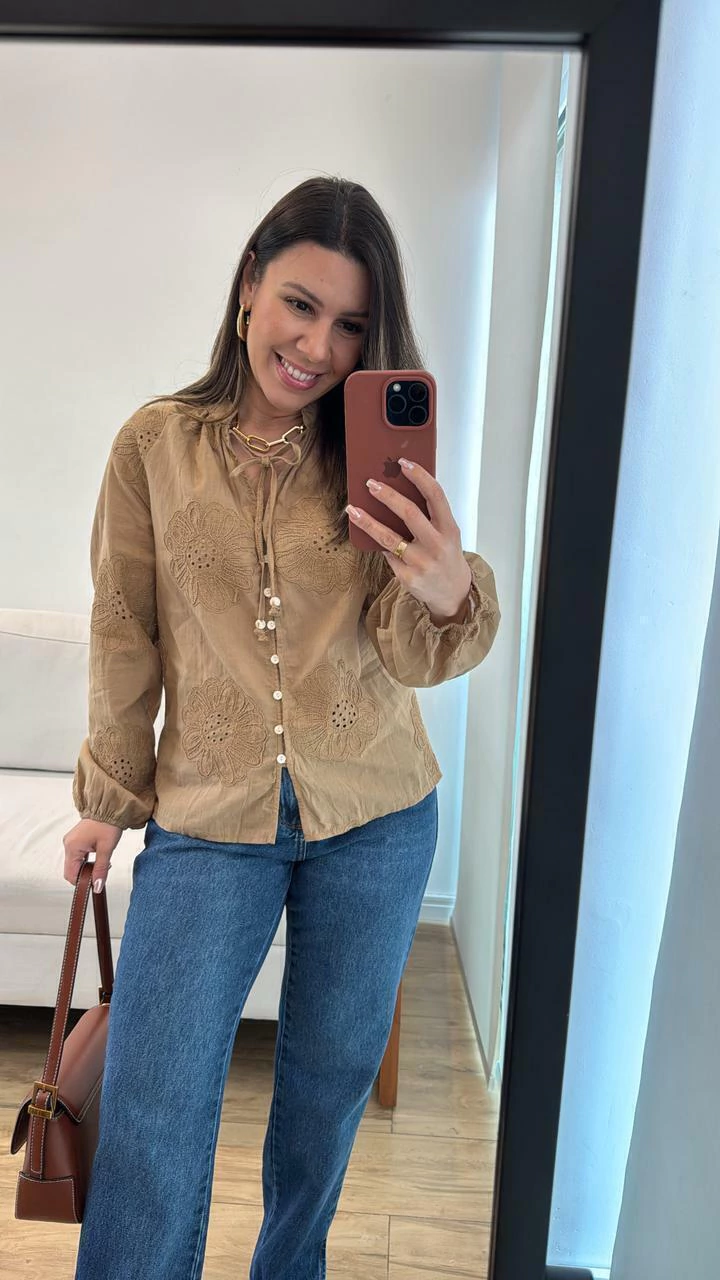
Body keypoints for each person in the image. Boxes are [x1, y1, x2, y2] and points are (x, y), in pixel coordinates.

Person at [65, 175, 501, 1279]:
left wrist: (445, 587)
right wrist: (107, 802)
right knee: (153, 1098)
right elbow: (124, 631)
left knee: (325, 1093)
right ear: (251, 283)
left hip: (378, 814)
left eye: (351, 324)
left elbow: (409, 653)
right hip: (209, 819)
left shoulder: (371, 454)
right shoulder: (153, 447)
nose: (316, 346)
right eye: (301, 304)